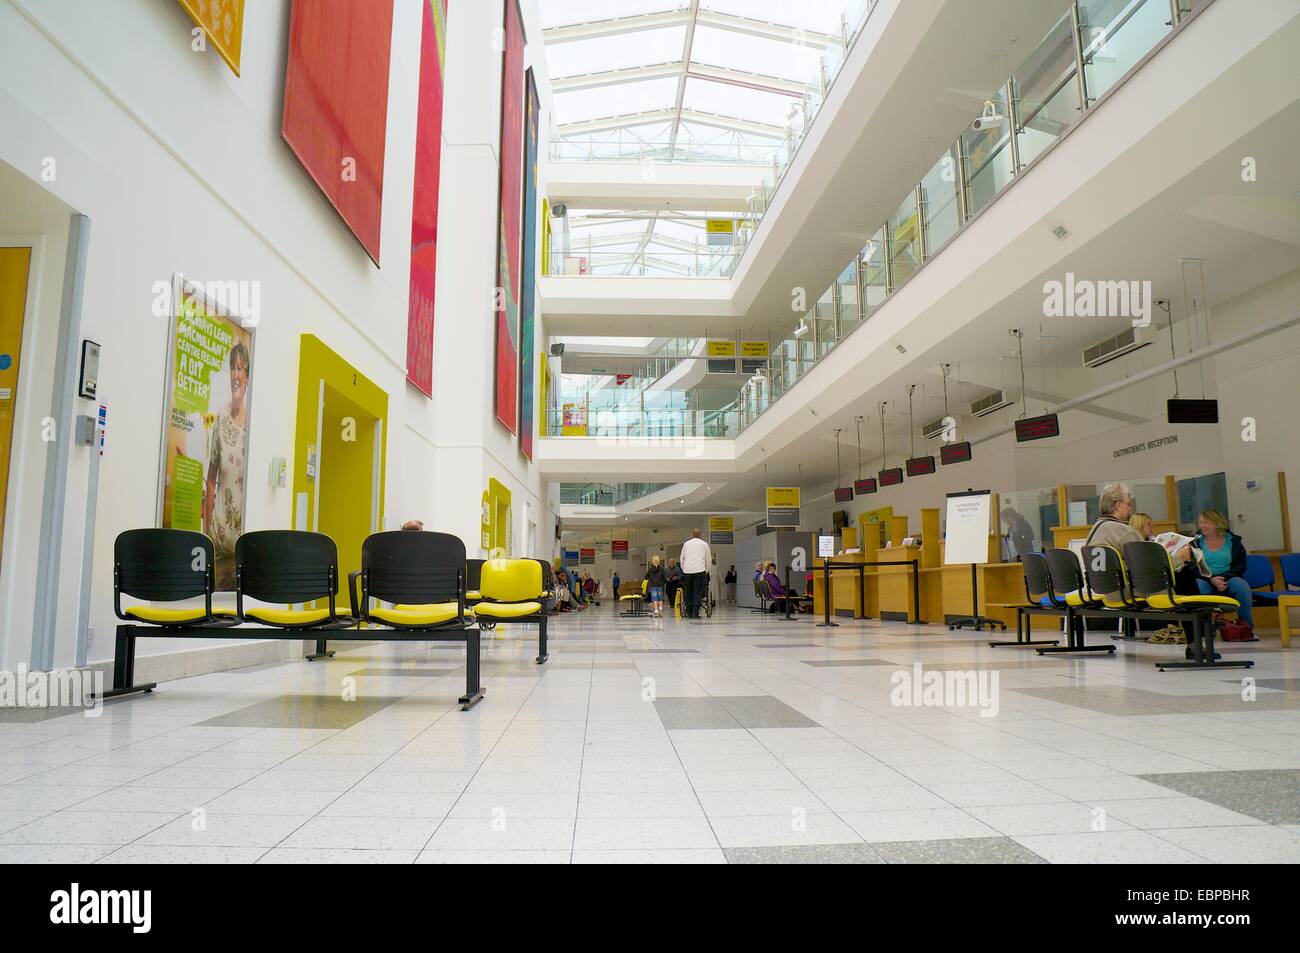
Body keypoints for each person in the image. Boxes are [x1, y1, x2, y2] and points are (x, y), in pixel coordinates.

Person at [203, 340, 250, 590]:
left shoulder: (254, 425)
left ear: (247, 378)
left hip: (242, 547)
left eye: (241, 368)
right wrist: (204, 535)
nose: (235, 374)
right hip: (217, 542)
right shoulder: (220, 420)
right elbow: (211, 478)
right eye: (232, 367)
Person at [1193, 509, 1253, 630]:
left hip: (1229, 577)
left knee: (1242, 587)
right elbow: (1193, 567)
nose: (1202, 526)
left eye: (1206, 522)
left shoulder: (1233, 541)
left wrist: (1223, 578)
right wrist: (1211, 579)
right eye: (1200, 522)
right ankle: (1205, 629)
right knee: (1199, 587)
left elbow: (1240, 566)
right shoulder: (1195, 543)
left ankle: (1247, 627)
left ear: (1216, 523)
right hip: (1204, 578)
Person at [679, 529, 712, 619]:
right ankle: (695, 613)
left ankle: (689, 611)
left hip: (687, 571)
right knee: (697, 592)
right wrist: (706, 571)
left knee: (688, 592)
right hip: (700, 570)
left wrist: (684, 569)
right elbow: (708, 559)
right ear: (700, 535)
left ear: (692, 534)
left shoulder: (686, 544)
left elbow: (682, 558)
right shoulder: (704, 544)